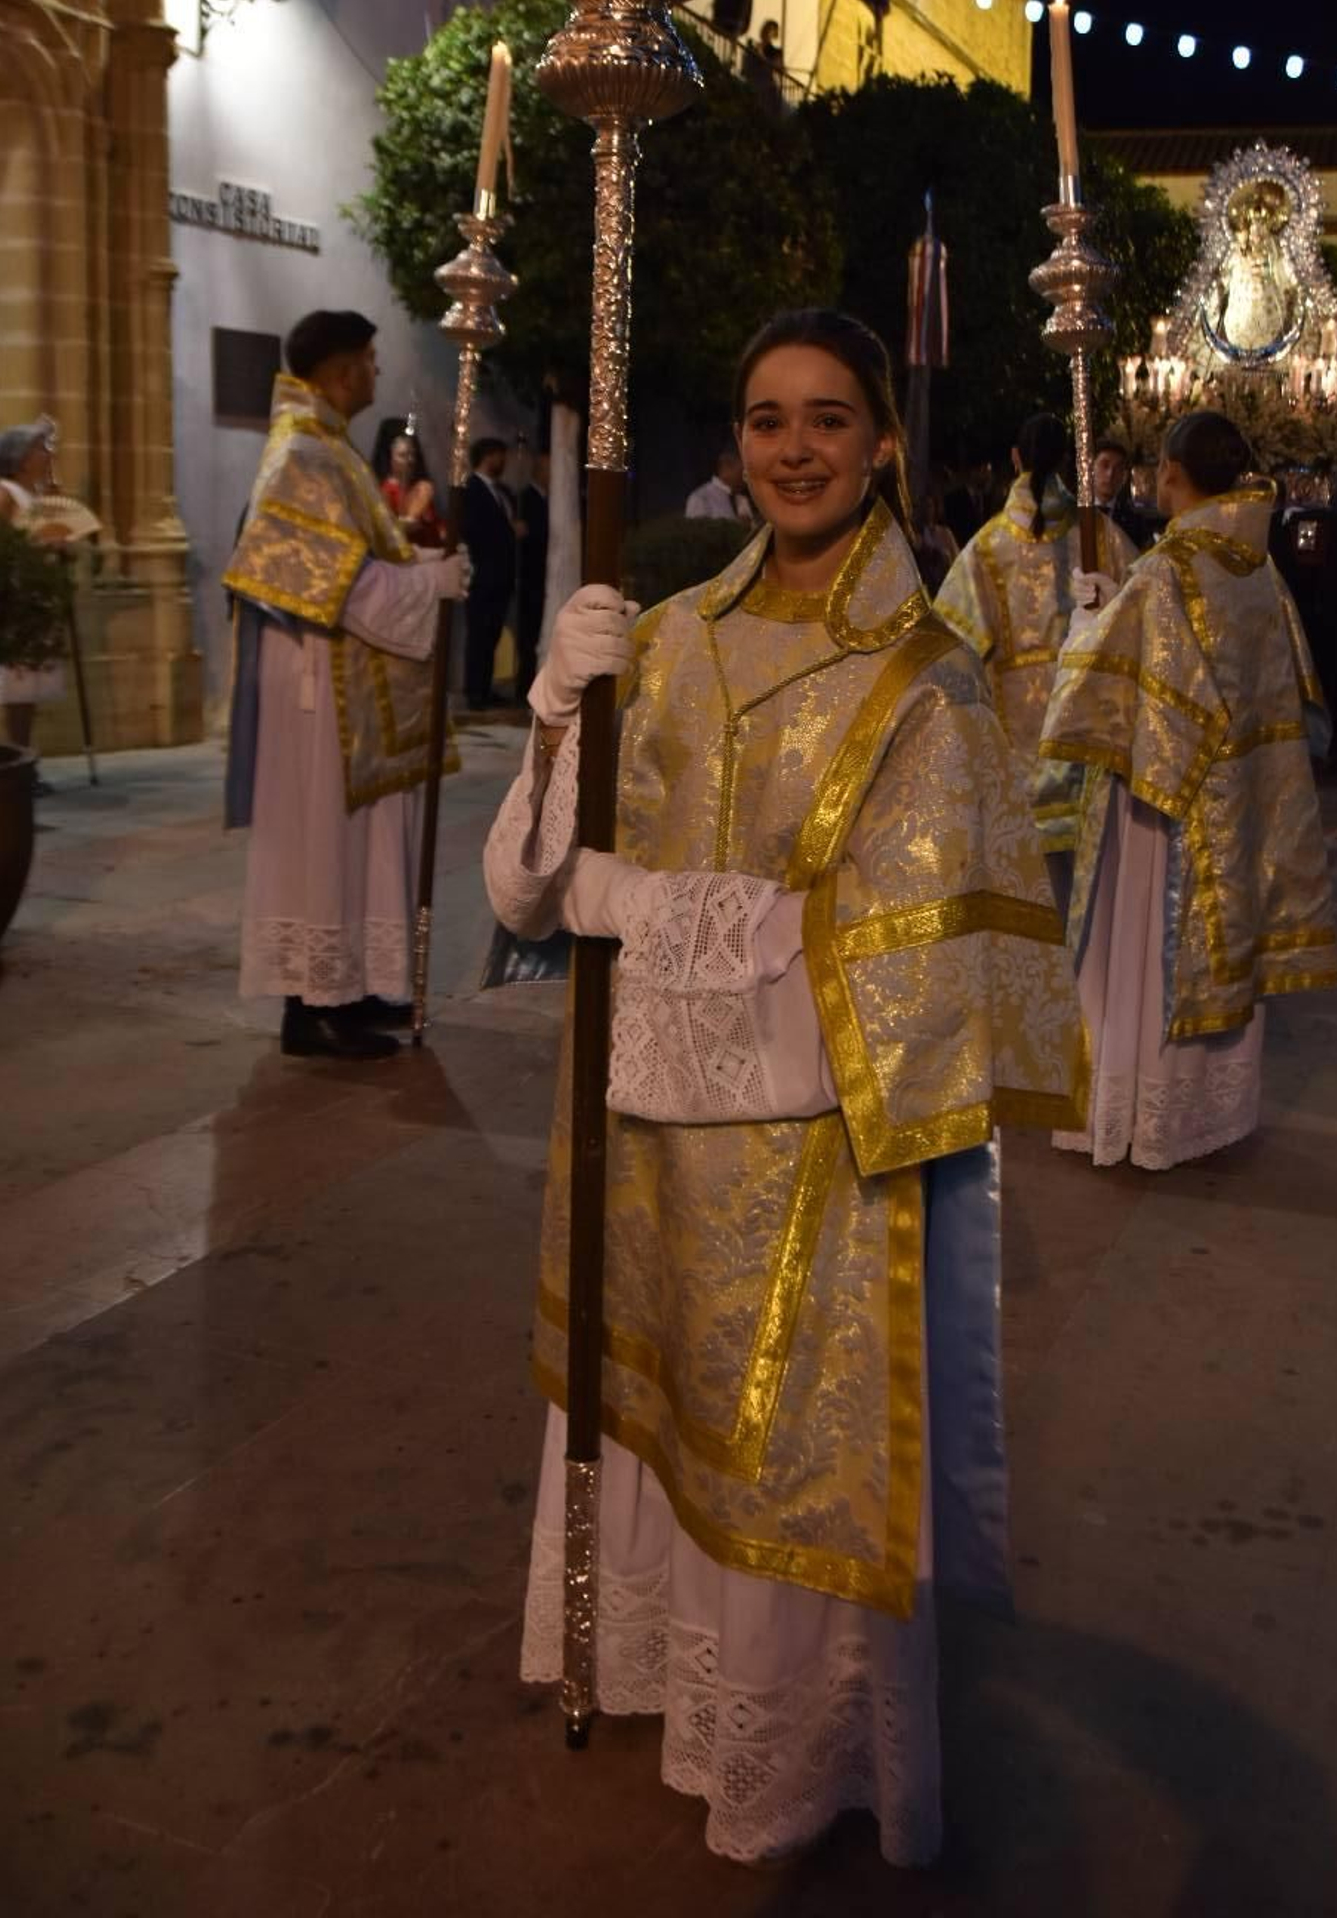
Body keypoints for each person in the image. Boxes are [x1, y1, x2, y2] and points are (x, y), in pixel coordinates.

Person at [483, 309, 1086, 1866]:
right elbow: (529, 894)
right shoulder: (670, 639)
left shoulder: (927, 683)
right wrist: (554, 715)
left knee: (780, 1445)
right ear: (736, 443)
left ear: (885, 439)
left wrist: (649, 910)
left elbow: (901, 963)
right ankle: (644, 1672)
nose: (796, 447)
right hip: (641, 1137)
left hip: (810, 1154)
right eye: (765, 418)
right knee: (655, 1412)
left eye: (829, 417)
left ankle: (785, 1753)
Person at [1033, 410, 1337, 1171]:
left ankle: (1143, 1117)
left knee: (1142, 943)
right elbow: (1292, 686)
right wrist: (1118, 597)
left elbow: (1106, 684)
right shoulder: (1256, 567)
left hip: (1161, 809)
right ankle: (1213, 1111)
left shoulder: (1173, 568)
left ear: (1172, 473)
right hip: (1239, 801)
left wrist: (1086, 622)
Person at [223, 311, 467, 1058]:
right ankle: (312, 1005)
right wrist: (431, 588)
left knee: (354, 836)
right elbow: (336, 586)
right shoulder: (302, 456)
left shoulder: (329, 451)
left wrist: (423, 572)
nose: (375, 373)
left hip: (343, 680)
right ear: (336, 374)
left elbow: (365, 568)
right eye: (367, 360)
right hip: (316, 684)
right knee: (321, 837)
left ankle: (351, 988)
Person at [937, 409, 1135, 885]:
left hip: (1014, 760)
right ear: (1067, 461)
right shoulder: (1103, 539)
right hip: (1088, 744)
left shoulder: (984, 550)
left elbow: (947, 652)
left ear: (1014, 457)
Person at [0, 419, 70, 790]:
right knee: (15, 688)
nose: (47, 456)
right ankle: (15, 766)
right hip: (15, 599)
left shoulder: (35, 497)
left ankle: (24, 762)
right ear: (22, 458)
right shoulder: (5, 493)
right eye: (41, 449)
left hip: (36, 597)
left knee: (29, 691)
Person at [460, 436, 520, 709]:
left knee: (493, 634)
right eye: (499, 455)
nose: (504, 461)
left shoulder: (504, 492)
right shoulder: (471, 489)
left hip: (503, 575)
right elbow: (474, 529)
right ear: (487, 456)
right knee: (479, 634)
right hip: (482, 574)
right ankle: (474, 691)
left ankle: (485, 687)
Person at [371, 417, 443, 550]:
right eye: (402, 455)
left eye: (412, 455)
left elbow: (434, 523)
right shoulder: (385, 490)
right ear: (389, 457)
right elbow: (387, 534)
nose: (409, 461)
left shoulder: (419, 486)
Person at [514, 445, 550, 703]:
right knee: (528, 634)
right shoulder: (526, 498)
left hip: (545, 575)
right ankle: (524, 685)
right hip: (531, 576)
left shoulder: (550, 499)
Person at [1092, 436, 1158, 551]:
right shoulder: (1075, 515)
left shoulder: (1136, 522)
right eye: (1104, 465)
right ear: (1091, 468)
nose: (1110, 474)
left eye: (1118, 468)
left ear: (1124, 475)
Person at [684, 443, 751, 523]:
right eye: (743, 471)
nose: (747, 477)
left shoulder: (742, 499)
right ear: (726, 467)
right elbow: (697, 534)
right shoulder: (700, 498)